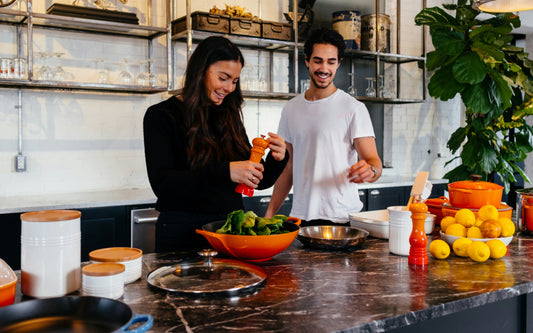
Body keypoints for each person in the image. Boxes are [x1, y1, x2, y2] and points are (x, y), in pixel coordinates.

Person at [143, 36, 288, 252]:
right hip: (181, 235)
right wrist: (226, 171)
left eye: (235, 81)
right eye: (223, 78)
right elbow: (163, 186)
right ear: (201, 71)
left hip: (229, 233)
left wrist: (278, 159)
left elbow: (256, 181)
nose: (229, 87)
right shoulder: (161, 116)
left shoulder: (229, 115)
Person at [265, 28, 382, 227]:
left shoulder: (353, 108)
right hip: (301, 218)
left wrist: (370, 171)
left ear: (339, 63)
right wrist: (269, 214)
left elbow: (374, 163)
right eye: (318, 60)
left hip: (342, 218)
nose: (324, 68)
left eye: (331, 61)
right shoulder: (291, 109)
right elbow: (288, 168)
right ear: (307, 61)